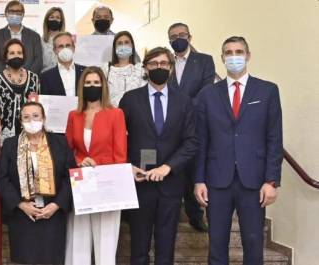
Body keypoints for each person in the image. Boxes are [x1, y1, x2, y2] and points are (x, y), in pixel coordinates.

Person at [194, 36, 282, 265]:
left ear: (248, 55)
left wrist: (271, 181)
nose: (234, 57)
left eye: (239, 51)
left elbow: (274, 139)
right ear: (222, 58)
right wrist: (199, 180)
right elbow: (201, 140)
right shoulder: (207, 95)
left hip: (254, 182)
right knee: (216, 247)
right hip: (216, 180)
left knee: (254, 246)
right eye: (229, 53)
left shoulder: (268, 91)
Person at [118, 47, 198, 264]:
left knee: (166, 247)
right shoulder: (130, 99)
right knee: (138, 248)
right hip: (139, 183)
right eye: (153, 64)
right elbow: (117, 140)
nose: (159, 68)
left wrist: (168, 167)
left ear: (171, 68)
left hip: (171, 184)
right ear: (145, 67)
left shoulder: (184, 101)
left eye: (164, 63)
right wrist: (128, 166)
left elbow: (191, 142)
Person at [0, 101, 75, 265]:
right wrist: (21, 204)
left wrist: (56, 205)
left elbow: (70, 177)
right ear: (21, 121)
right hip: (22, 214)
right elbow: (2, 179)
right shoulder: (11, 145)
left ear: (44, 119)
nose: (31, 120)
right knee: (25, 259)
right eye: (26, 117)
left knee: (52, 259)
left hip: (53, 213)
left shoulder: (60, 143)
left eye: (35, 116)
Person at [64, 67, 127, 265]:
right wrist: (78, 162)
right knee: (78, 241)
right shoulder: (74, 115)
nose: (92, 87)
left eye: (96, 83)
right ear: (82, 87)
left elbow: (120, 154)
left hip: (107, 182)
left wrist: (101, 168)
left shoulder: (116, 114)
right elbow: (67, 151)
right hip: (81, 182)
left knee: (106, 242)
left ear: (104, 86)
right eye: (88, 83)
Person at [166, 22, 216, 232]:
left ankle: (196, 215)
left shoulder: (204, 61)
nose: (178, 38)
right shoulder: (164, 62)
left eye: (182, 34)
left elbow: (206, 91)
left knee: (195, 169)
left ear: (189, 37)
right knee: (173, 168)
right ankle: (173, 213)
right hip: (169, 126)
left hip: (195, 124)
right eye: (173, 36)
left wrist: (183, 108)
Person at [0, 39, 40, 143]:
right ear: (6, 57)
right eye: (12, 53)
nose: (16, 56)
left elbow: (38, 105)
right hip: (5, 136)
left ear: (23, 56)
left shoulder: (34, 78)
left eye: (19, 53)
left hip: (30, 135)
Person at [0, 0, 43, 75]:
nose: (15, 14)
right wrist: (9, 76)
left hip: (29, 81)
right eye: (11, 11)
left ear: (23, 14)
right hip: (5, 80)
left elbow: (38, 61)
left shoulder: (34, 36)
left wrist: (26, 76)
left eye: (18, 12)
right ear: (6, 14)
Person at [103, 31, 145, 107]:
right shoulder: (106, 69)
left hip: (135, 115)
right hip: (112, 115)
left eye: (126, 42)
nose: (123, 45)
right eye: (119, 43)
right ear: (114, 48)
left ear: (132, 46)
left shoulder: (140, 69)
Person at [40, 32, 86, 97]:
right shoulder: (45, 77)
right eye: (60, 46)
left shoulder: (86, 72)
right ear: (55, 50)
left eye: (68, 45)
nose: (65, 49)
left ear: (73, 48)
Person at [41, 7, 66, 72]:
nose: (54, 19)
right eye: (51, 17)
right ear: (47, 20)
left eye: (58, 18)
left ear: (61, 21)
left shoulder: (67, 40)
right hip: (45, 76)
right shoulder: (40, 40)